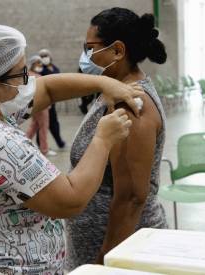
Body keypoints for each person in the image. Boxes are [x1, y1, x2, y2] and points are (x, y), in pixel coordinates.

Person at [0, 24, 143, 274]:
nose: (28, 82)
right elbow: (70, 200)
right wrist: (103, 140)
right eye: (21, 75)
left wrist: (103, 83)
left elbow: (48, 89)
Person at [65, 7, 169, 270]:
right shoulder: (111, 90)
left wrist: (106, 262)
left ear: (117, 51)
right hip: (96, 242)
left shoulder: (132, 104)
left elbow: (132, 196)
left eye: (90, 48)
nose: (86, 55)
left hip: (119, 249)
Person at [25, 55, 56, 156]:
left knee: (34, 126)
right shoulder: (34, 76)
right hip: (41, 105)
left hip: (35, 105)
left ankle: (24, 143)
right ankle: (44, 150)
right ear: (33, 64)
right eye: (38, 63)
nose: (40, 65)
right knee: (43, 127)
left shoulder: (29, 74)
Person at [38, 49, 66, 149]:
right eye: (42, 56)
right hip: (44, 100)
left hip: (53, 99)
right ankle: (41, 145)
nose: (45, 57)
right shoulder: (40, 70)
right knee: (41, 124)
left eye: (46, 55)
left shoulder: (54, 67)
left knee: (54, 122)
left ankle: (59, 142)